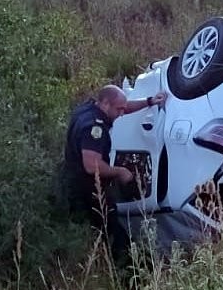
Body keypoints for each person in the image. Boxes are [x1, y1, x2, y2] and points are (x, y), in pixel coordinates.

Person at [61, 84, 167, 258]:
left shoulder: (89, 108)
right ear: (105, 104)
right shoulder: (94, 127)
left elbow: (123, 106)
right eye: (119, 110)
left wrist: (149, 101)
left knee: (94, 231)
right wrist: (120, 172)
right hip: (87, 191)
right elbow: (91, 165)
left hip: (73, 182)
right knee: (111, 235)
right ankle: (122, 265)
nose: (121, 114)